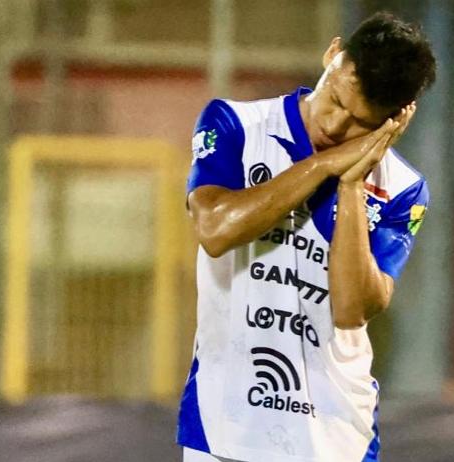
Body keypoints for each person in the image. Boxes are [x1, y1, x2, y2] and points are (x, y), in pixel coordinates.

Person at [177, 11, 437, 462]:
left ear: (395, 119)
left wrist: (352, 183)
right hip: (225, 426)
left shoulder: (404, 190)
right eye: (334, 99)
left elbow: (352, 309)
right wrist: (322, 166)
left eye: (360, 122)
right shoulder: (236, 124)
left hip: (335, 435)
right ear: (333, 54)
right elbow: (215, 230)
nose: (335, 126)